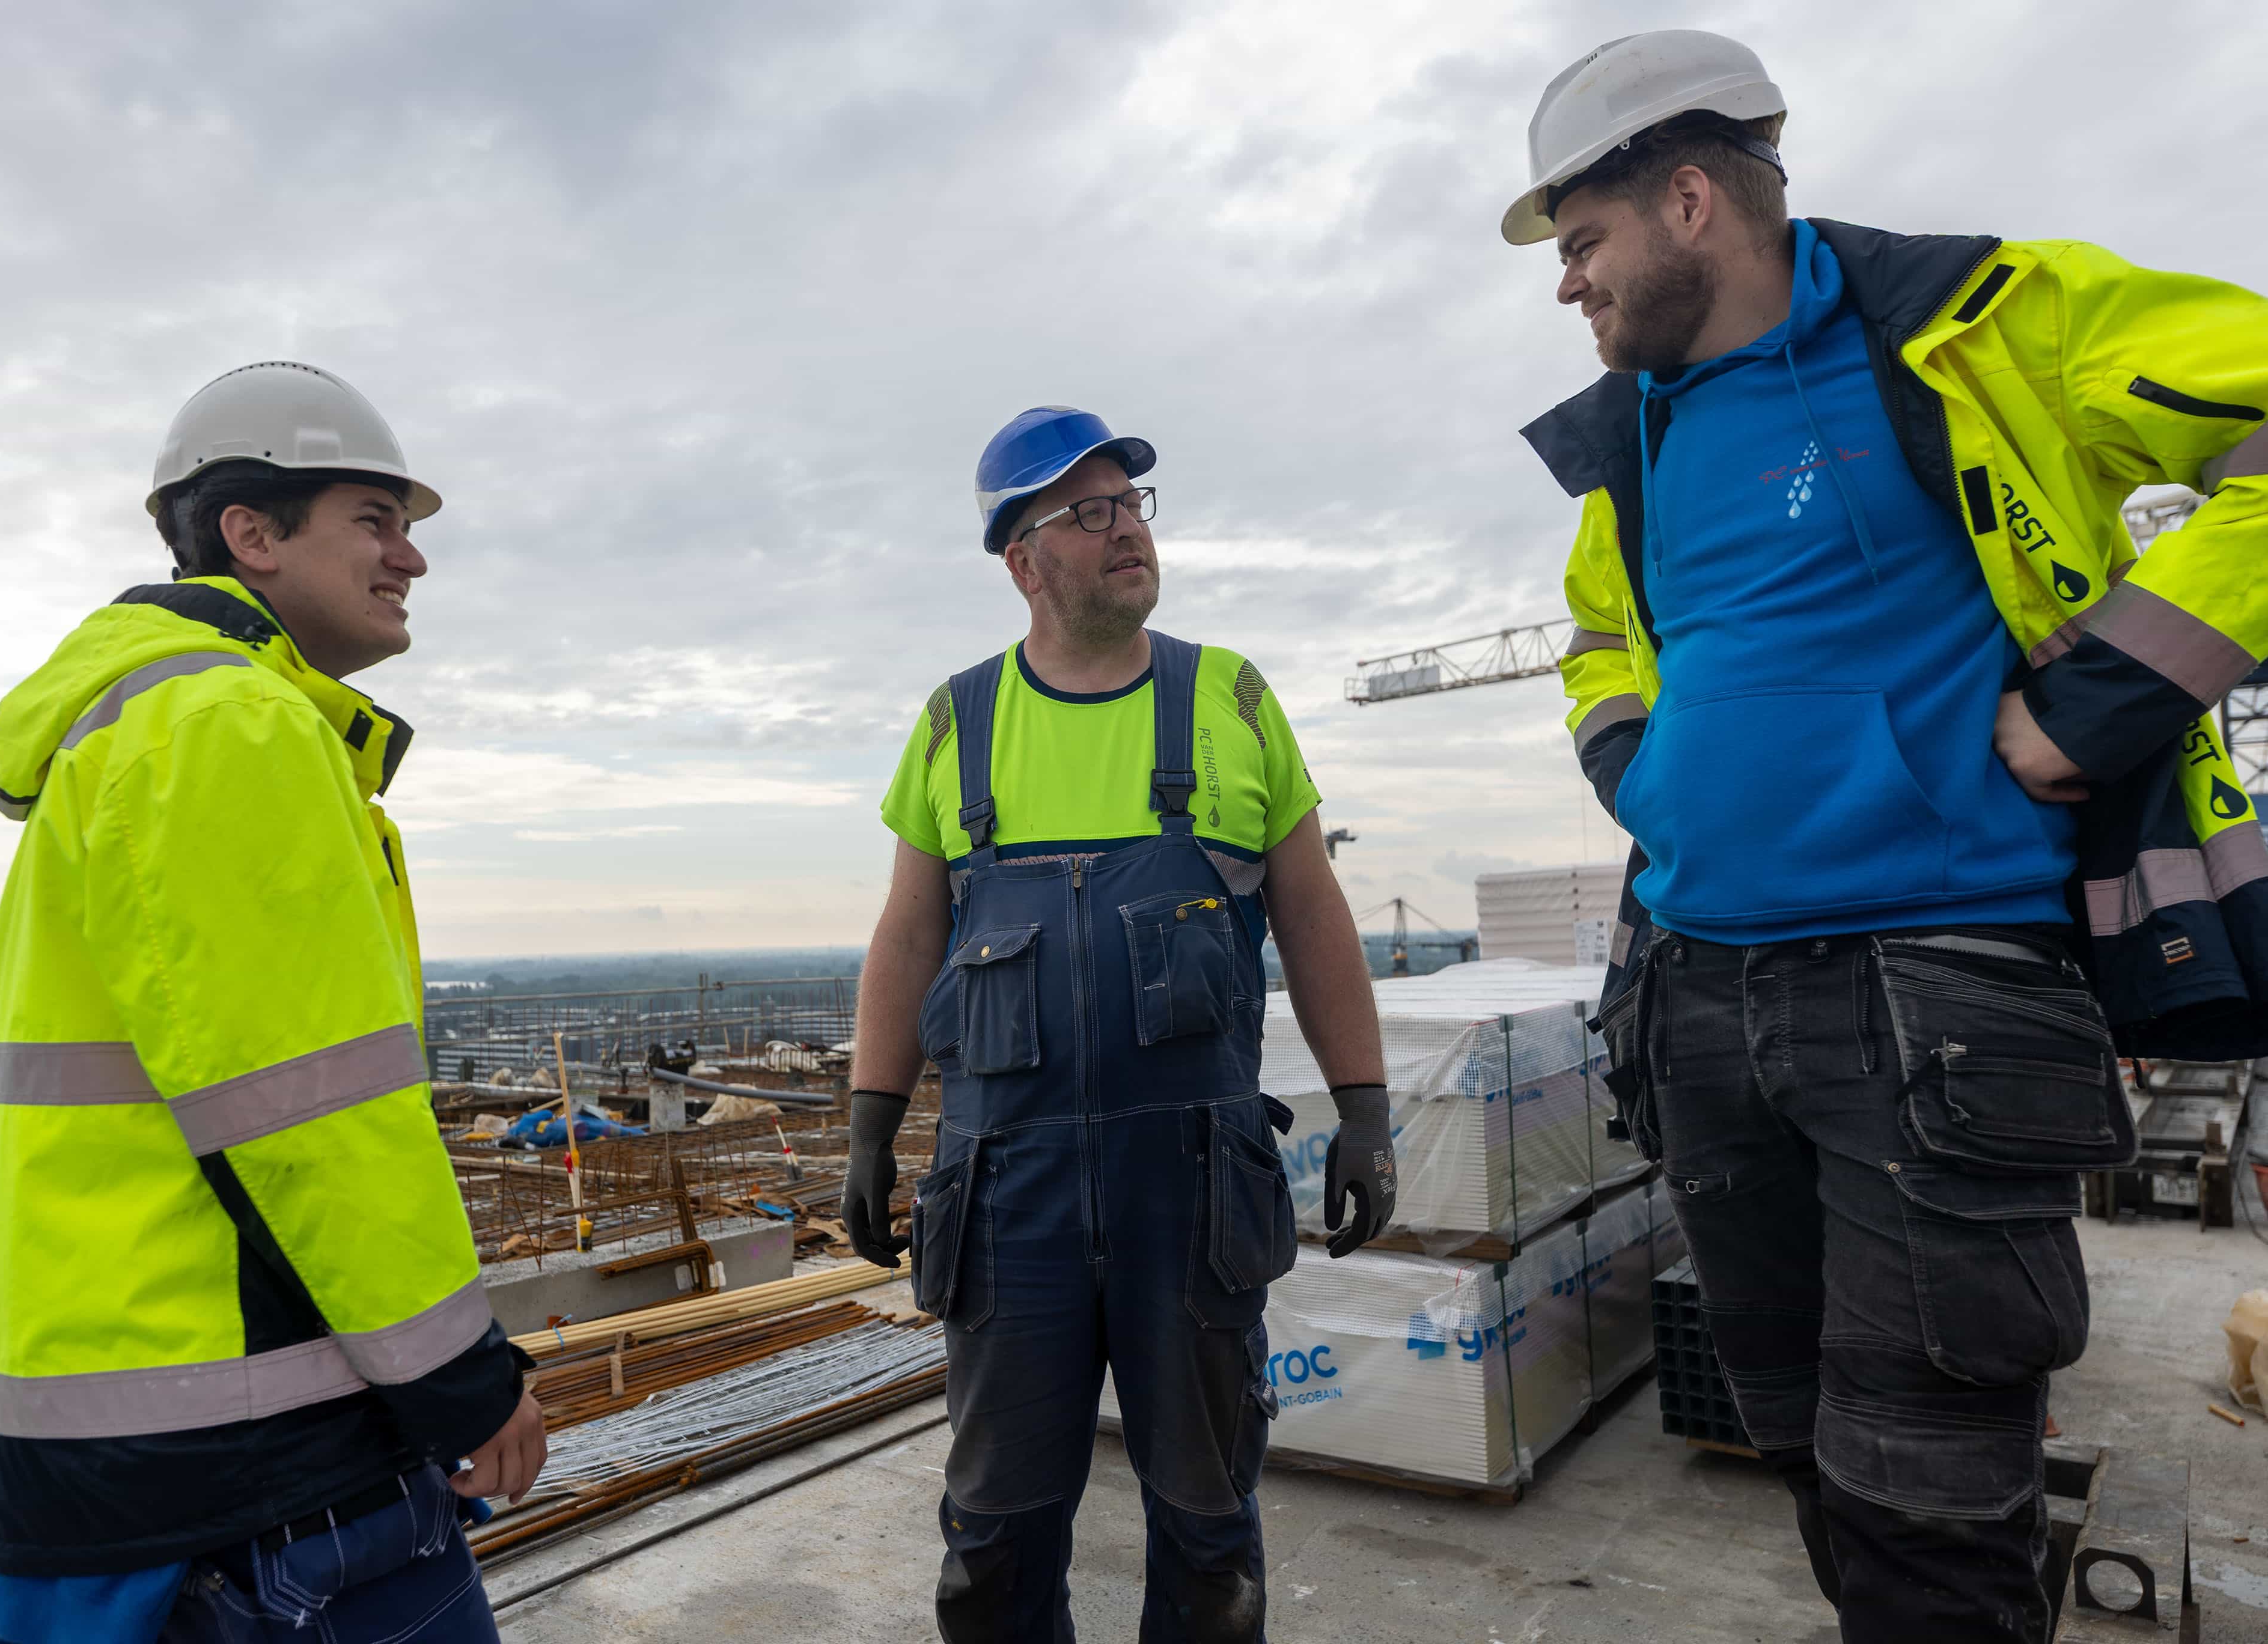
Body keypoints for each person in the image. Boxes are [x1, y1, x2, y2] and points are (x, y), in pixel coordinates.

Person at [1506, 31, 2268, 1643]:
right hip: (1696, 1001)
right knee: (1804, 1452)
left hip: (1935, 999)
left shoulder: (1982, 326)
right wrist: (1643, 774)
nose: (1567, 285)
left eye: (1581, 241)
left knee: (1929, 1491)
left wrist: (2102, 703)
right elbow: (1598, 642)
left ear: (1690, 201)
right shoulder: (1631, 438)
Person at [0, 362, 544, 1642]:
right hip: (245, 1467)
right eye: (374, 520)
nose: (411, 557)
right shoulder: (226, 723)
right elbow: (311, 1116)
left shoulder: (143, 725)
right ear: (253, 534)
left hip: (119, 1449)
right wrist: (464, 1381)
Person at [843, 406, 1395, 1643]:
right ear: (1021, 559)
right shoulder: (958, 721)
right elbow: (909, 935)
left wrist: (1364, 1111)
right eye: (1087, 513)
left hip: (1189, 1196)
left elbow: (1312, 913)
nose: (1126, 530)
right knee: (995, 1531)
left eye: (1132, 504)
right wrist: (871, 1128)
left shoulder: (1230, 698)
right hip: (1009, 1201)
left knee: (1208, 1525)